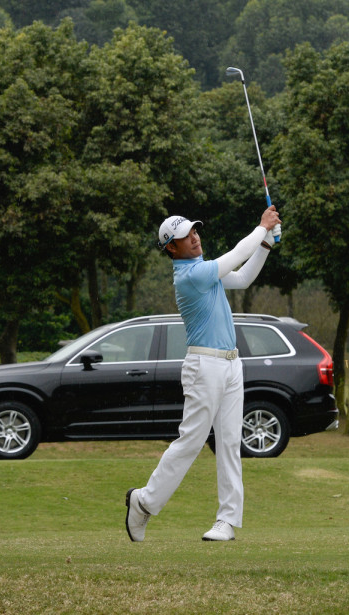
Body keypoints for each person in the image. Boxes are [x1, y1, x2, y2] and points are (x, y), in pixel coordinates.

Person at [126, 206, 281, 543]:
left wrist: (266, 245)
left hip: (231, 364)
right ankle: (144, 501)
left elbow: (242, 277)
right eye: (186, 236)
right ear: (172, 248)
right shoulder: (191, 276)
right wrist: (262, 228)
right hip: (204, 366)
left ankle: (227, 520)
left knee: (230, 443)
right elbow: (236, 256)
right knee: (192, 441)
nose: (195, 238)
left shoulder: (205, 270)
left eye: (195, 231)